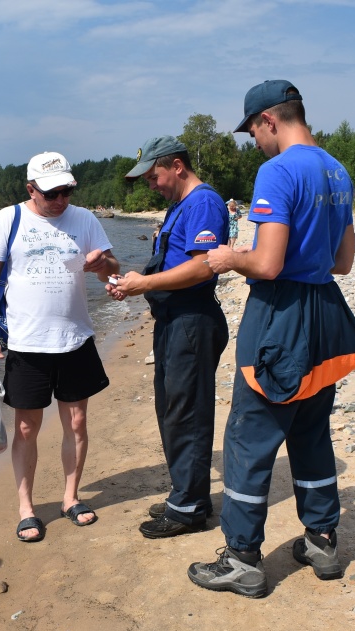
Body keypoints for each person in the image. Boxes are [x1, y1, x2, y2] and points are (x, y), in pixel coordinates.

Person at [188, 80, 355, 598]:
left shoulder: (279, 170)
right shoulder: (337, 170)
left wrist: (227, 258)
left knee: (251, 435)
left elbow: (266, 263)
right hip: (324, 314)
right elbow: (343, 262)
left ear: (270, 119)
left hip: (280, 316)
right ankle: (322, 540)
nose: (256, 143)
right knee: (311, 430)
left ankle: (243, 558)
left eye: (253, 133)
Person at [0, 151, 120, 542]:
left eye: (67, 191)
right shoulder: (8, 219)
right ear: (31, 189)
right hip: (27, 342)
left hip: (75, 338)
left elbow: (113, 267)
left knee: (76, 422)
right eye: (52, 193)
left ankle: (70, 498)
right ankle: (27, 507)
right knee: (26, 427)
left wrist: (102, 265)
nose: (60, 200)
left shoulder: (85, 219)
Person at [106, 136, 229, 539]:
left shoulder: (204, 203)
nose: (150, 185)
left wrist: (145, 284)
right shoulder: (180, 206)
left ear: (176, 165)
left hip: (192, 321)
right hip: (174, 321)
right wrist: (133, 282)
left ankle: (190, 508)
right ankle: (186, 493)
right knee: (173, 409)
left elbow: (202, 268)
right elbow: (172, 260)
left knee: (187, 413)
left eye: (153, 176)